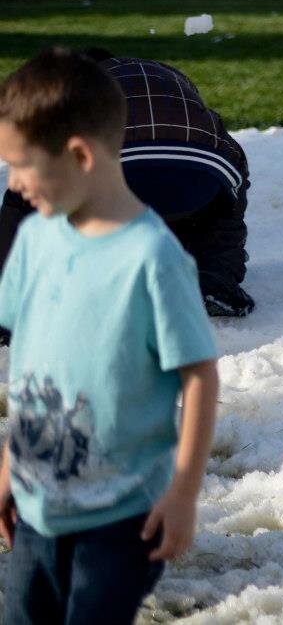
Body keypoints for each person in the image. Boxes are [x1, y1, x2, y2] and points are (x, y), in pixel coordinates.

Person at [0, 49, 220, 625]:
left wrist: (183, 492)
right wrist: (8, 466)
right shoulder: (33, 244)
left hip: (121, 519)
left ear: (79, 155)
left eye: (21, 166)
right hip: (35, 508)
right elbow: (30, 364)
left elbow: (198, 376)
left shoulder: (152, 259)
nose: (14, 184)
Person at [0, 53, 253, 322]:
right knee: (220, 207)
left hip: (119, 169)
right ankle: (215, 282)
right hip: (198, 170)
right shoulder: (168, 76)